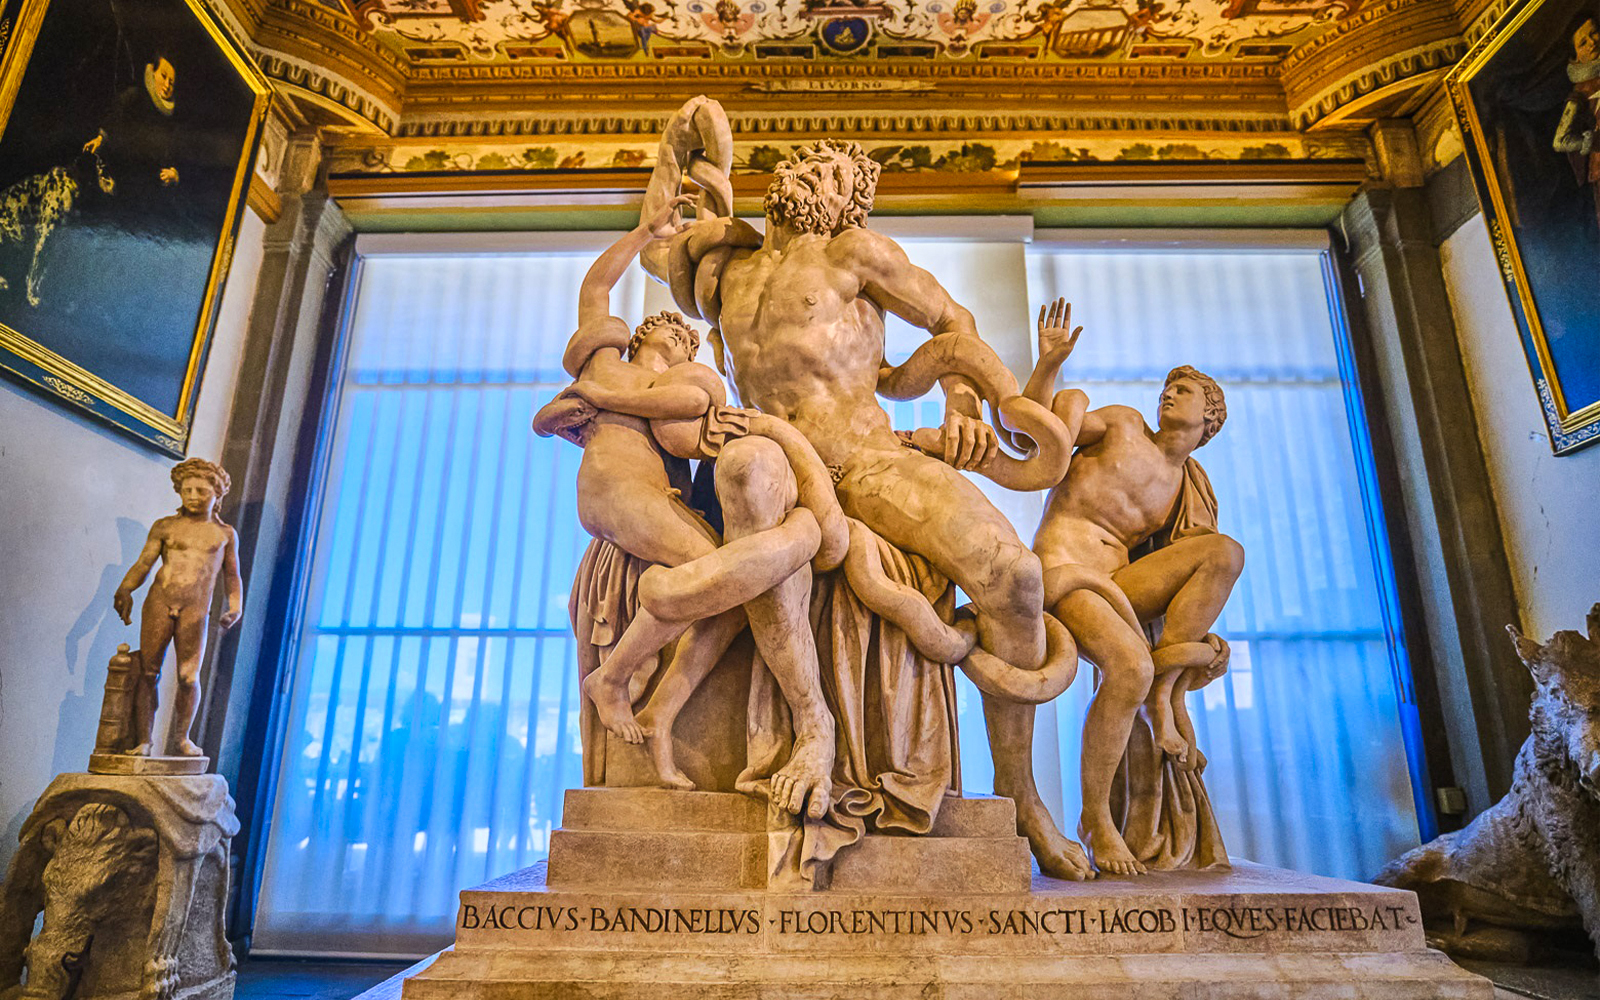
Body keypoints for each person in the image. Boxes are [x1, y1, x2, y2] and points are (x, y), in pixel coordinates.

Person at [638, 100, 1091, 878]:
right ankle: (812, 724)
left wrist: (960, 405)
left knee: (1015, 575)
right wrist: (680, 144)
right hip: (780, 461)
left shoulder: (855, 252)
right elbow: (656, 240)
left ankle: (1022, 795)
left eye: (833, 171)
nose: (813, 172)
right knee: (744, 469)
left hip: (866, 459)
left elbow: (952, 319)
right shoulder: (725, 270)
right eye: (806, 163)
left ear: (850, 199)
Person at [536, 194, 838, 796]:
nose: (683, 341)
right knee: (721, 579)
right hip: (617, 495)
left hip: (654, 500)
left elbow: (692, 409)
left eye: (689, 343)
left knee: (728, 592)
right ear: (646, 334)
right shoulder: (606, 364)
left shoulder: (641, 392)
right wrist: (644, 233)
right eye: (676, 334)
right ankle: (613, 678)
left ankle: (660, 713)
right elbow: (596, 289)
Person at [1024, 320, 1242, 876]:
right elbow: (1040, 432)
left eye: (1184, 390)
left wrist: (1200, 643)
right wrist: (1049, 363)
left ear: (1209, 417)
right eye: (1168, 387)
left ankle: (1165, 692)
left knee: (1225, 552)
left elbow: (1190, 574)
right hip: (1065, 571)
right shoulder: (1122, 424)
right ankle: (1096, 820)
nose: (1168, 393)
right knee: (1127, 667)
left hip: (1121, 585)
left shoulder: (1186, 485)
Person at [112, 458, 243, 757]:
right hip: (160, 601)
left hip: (195, 608)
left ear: (217, 493)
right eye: (187, 491)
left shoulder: (224, 534)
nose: (193, 497)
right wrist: (126, 588)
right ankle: (143, 740)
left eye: (201, 491)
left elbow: (232, 575)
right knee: (148, 672)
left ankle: (182, 739)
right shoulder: (165, 526)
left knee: (188, 677)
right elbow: (144, 563)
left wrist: (235, 606)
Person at [1554, 17, 1600, 231]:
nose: (1592, 42)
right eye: (1583, 42)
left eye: (1594, 33)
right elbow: (1560, 140)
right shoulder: (1580, 94)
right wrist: (1591, 141)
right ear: (1576, 57)